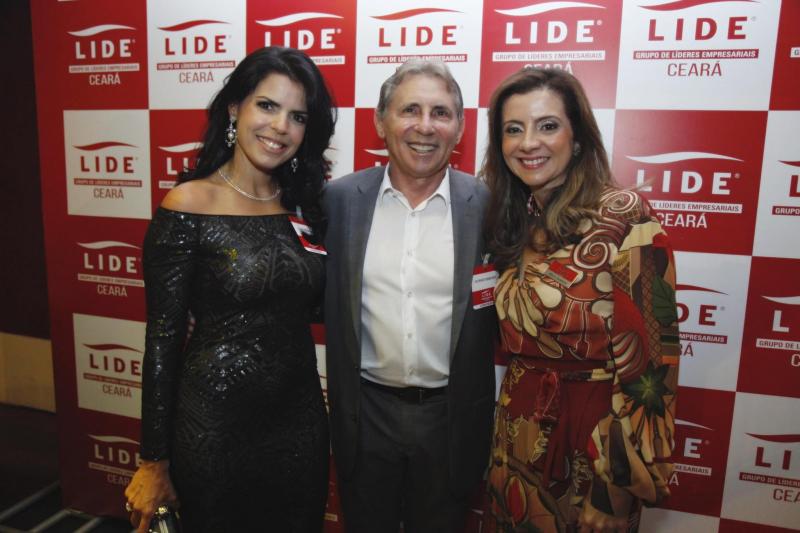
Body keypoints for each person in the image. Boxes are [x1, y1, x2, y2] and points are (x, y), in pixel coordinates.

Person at [124, 46, 336, 533]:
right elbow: (162, 340)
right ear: (235, 108)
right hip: (214, 426)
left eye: (298, 116)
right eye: (267, 105)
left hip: (300, 423)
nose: (280, 126)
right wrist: (153, 460)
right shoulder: (189, 203)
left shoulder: (305, 206)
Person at [481, 67, 679, 533]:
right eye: (513, 129)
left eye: (547, 125)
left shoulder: (625, 216)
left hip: (593, 441)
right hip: (517, 431)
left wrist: (616, 487)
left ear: (577, 137)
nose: (529, 142)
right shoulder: (512, 221)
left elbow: (653, 368)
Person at [323, 59, 496, 532]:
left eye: (441, 113)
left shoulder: (490, 206)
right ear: (381, 122)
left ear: (460, 128)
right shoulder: (338, 201)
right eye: (409, 110)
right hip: (365, 415)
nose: (425, 126)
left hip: (451, 419)